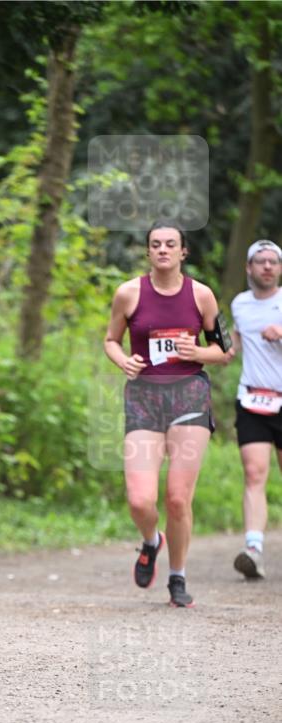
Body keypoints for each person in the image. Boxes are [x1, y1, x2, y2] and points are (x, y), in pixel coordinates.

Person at [104, 223, 230, 608]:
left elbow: (224, 349)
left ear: (182, 252)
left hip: (189, 395)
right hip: (144, 398)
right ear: (148, 253)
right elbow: (111, 340)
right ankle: (150, 540)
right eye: (155, 244)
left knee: (177, 498)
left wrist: (197, 353)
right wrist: (124, 360)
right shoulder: (128, 293)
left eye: (170, 244)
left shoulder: (201, 295)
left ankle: (178, 576)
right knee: (141, 500)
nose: (162, 250)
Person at [230, 239, 282, 580]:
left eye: (273, 262)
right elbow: (233, 344)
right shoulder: (240, 304)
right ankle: (253, 549)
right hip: (252, 399)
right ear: (249, 268)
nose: (267, 266)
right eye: (260, 261)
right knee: (254, 474)